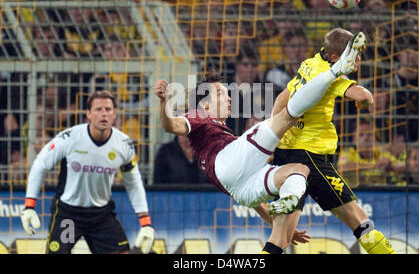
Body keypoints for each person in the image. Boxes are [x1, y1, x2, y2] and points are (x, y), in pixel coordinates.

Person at [153, 34, 362, 253]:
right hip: (228, 164)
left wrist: (276, 223)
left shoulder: (217, 135)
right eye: (221, 94)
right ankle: (335, 70)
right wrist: (164, 103)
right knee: (287, 116)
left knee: (299, 171)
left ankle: (289, 200)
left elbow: (253, 199)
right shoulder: (200, 115)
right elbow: (172, 126)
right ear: (205, 104)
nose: (229, 98)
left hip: (239, 189)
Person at [271, 28, 396, 254]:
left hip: (285, 153)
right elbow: (364, 96)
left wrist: (272, 136)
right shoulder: (330, 74)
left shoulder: (309, 63)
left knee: (281, 237)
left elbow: (282, 98)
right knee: (360, 220)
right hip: (311, 158)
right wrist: (364, 103)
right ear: (336, 58)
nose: (358, 59)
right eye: (354, 54)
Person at [20, 91, 155, 254]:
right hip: (69, 214)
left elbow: (133, 183)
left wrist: (145, 222)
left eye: (108, 109)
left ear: (114, 114)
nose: (104, 114)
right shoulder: (69, 138)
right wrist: (29, 205)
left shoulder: (124, 145)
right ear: (88, 114)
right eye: (98, 109)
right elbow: (40, 164)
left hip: (101, 216)